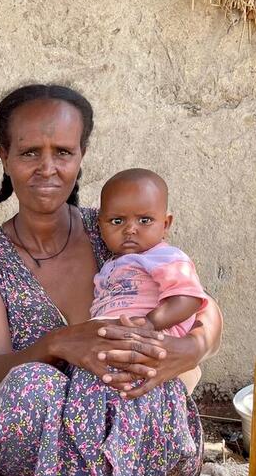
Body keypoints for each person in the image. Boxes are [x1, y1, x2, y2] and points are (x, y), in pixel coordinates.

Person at [0, 84, 223, 475]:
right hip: (34, 441)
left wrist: (191, 350)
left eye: (63, 152)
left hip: (124, 436)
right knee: (32, 384)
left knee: (144, 384)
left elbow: (202, 305)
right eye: (29, 153)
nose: (47, 168)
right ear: (4, 156)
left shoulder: (115, 229)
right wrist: (60, 343)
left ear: (81, 156)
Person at [92, 168, 209, 393]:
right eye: (117, 221)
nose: (130, 229)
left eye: (145, 220)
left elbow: (188, 298)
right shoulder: (110, 266)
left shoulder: (165, 257)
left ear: (165, 225)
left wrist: (150, 323)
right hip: (122, 347)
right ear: (100, 225)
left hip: (155, 345)